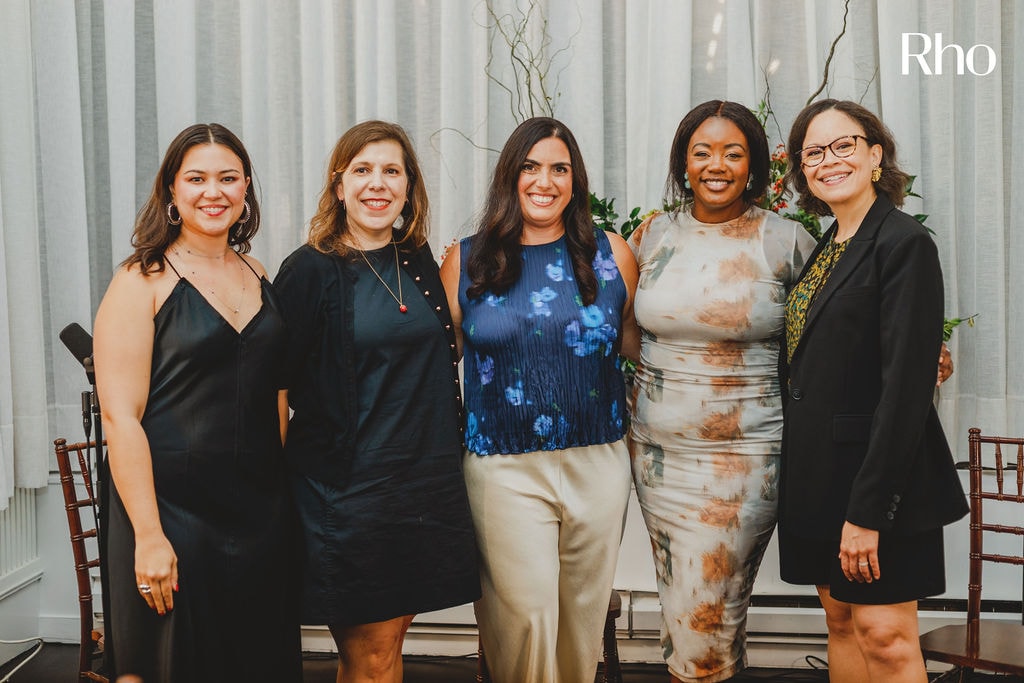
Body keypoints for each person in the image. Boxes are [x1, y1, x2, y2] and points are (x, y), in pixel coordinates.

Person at [274, 120, 480, 683]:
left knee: (385, 650)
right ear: (338, 186)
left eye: (392, 171)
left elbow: (444, 354)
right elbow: (275, 387)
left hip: (422, 487)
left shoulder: (416, 261)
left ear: (409, 187)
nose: (377, 184)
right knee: (371, 652)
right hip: (348, 494)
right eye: (362, 170)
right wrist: (267, 486)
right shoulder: (309, 271)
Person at [93, 123, 301, 682]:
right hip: (170, 513)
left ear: (246, 188)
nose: (214, 192)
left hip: (258, 514)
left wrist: (267, 492)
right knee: (162, 667)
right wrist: (150, 535)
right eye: (197, 178)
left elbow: (275, 393)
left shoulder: (258, 273)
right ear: (171, 192)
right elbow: (121, 417)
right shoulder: (141, 280)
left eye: (228, 178)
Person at [439, 116, 641, 683]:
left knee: (579, 623)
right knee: (524, 617)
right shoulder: (467, 259)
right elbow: (431, 365)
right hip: (502, 467)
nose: (544, 181)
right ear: (510, 176)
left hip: (598, 462)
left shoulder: (613, 255)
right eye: (530, 167)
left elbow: (645, 350)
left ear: (575, 180)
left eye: (559, 168)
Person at [626, 100, 817, 683]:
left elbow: (819, 347)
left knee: (708, 618)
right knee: (685, 610)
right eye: (702, 151)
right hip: (656, 456)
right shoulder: (654, 233)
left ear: (755, 166)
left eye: (733, 153)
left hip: (741, 462)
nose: (717, 164)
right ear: (684, 162)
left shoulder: (785, 241)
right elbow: (626, 332)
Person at [778, 99, 969, 682]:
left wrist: (868, 514)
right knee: (840, 622)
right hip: (818, 474)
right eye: (814, 152)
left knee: (885, 638)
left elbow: (907, 390)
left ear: (875, 155)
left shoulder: (903, 243)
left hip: (882, 481)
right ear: (802, 170)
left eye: (844, 146)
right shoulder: (828, 247)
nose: (829, 160)